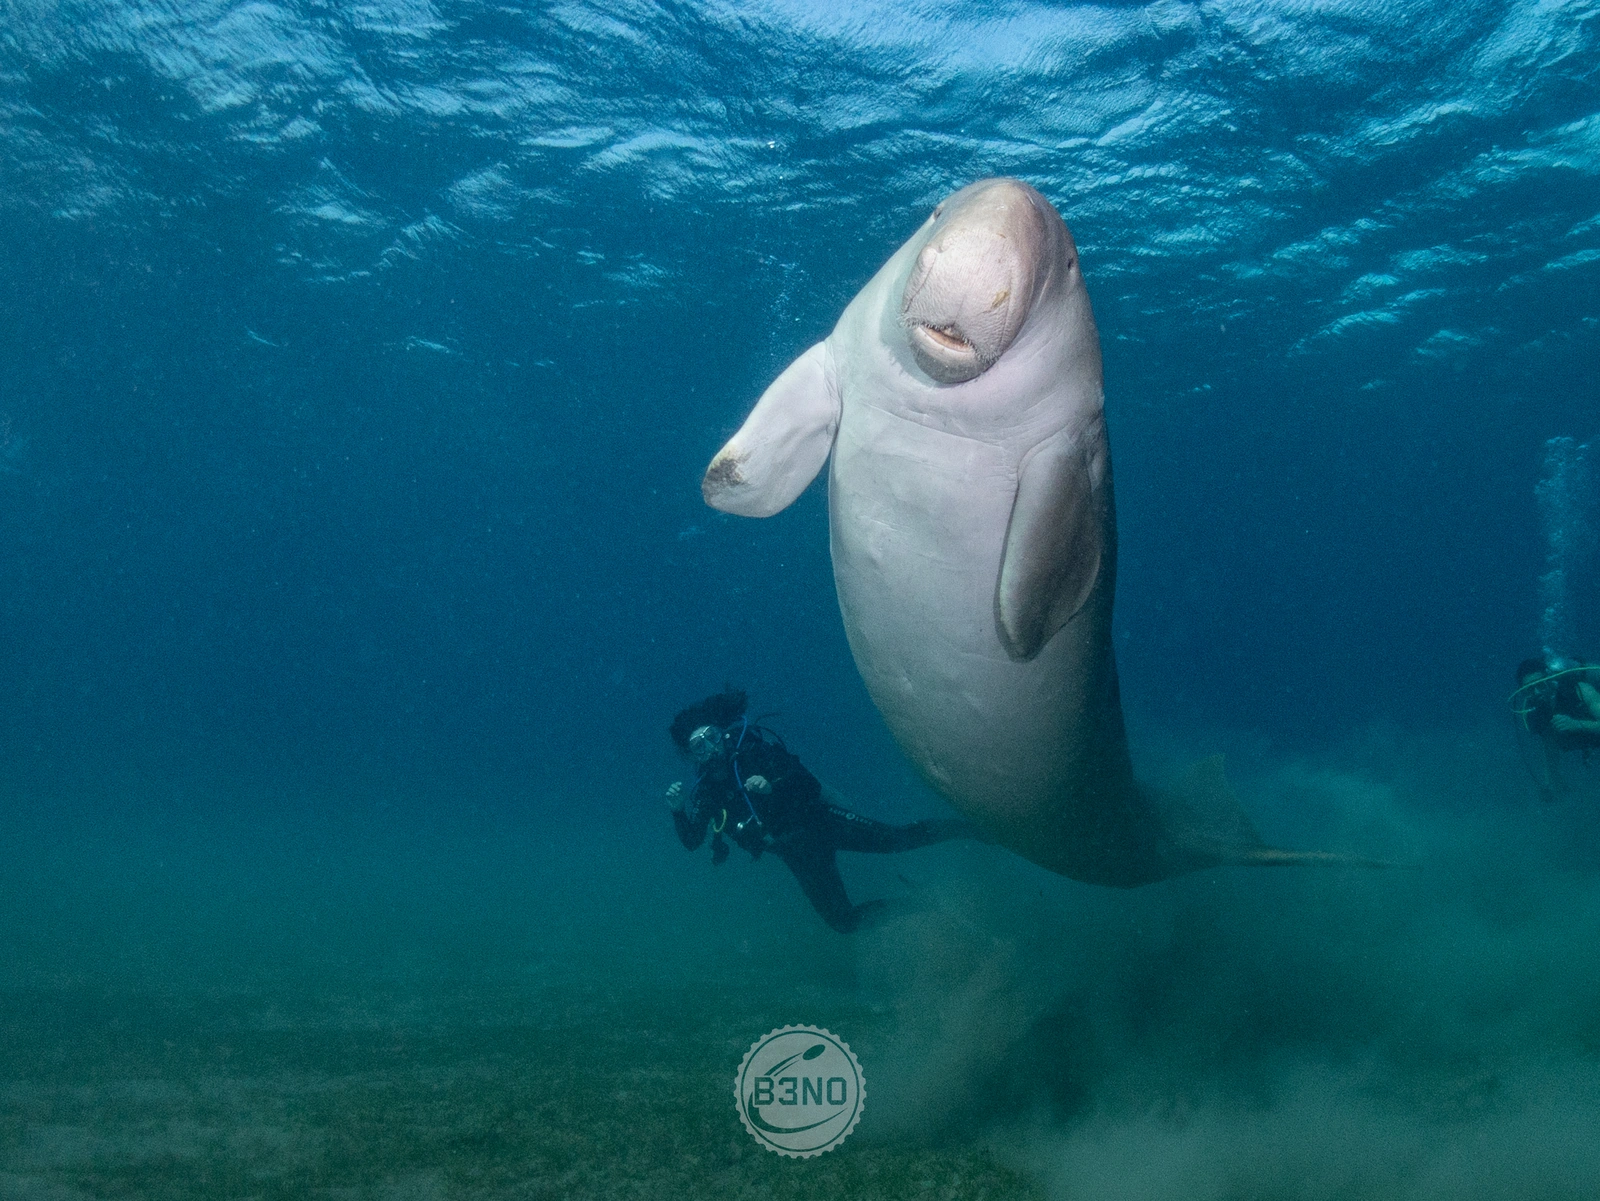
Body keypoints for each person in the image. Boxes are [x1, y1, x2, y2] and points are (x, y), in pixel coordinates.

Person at [664, 688, 987, 933]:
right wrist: (678, 811)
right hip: (795, 852)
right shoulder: (707, 793)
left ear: (723, 734)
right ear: (692, 756)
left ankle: (974, 829)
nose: (710, 747)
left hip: (822, 822)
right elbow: (693, 840)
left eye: (712, 737)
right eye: (699, 745)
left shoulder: (755, 753)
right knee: (841, 921)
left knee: (897, 839)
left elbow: (808, 784)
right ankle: (922, 908)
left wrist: (771, 784)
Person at [1513, 656, 1600, 801]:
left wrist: (1577, 724)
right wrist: (1551, 782)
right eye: (1529, 690)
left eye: (1540, 685)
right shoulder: (1538, 714)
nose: (1536, 693)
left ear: (1549, 680)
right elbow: (1549, 747)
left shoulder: (1581, 690)